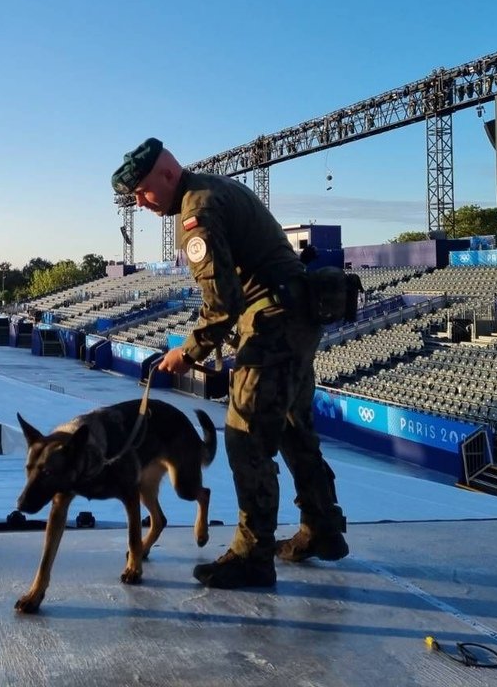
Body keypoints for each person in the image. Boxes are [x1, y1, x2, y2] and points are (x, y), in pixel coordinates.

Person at [111, 137, 348, 589]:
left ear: (167, 174)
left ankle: (252, 556)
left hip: (274, 325)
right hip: (297, 318)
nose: (140, 203)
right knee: (296, 432)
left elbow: (221, 303)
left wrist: (188, 352)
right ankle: (322, 528)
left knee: (246, 439)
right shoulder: (214, 188)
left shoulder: (196, 211)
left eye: (142, 191)